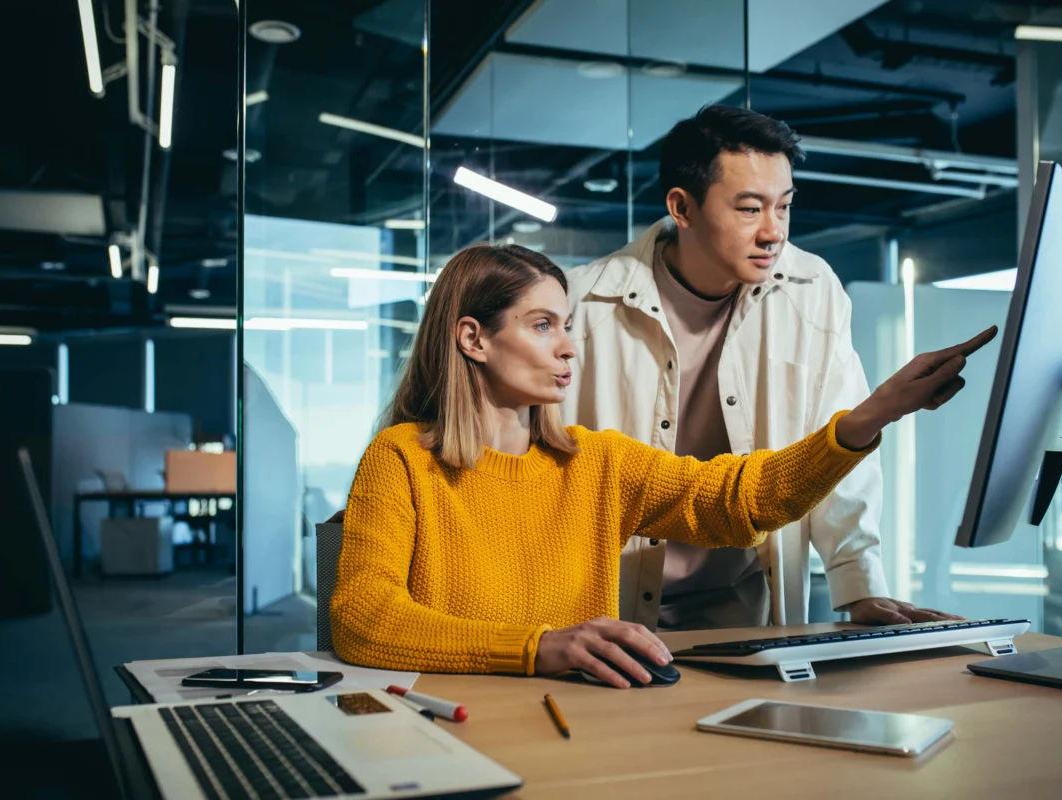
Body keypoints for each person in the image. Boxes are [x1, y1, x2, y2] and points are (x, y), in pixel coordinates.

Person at [330, 242, 995, 688]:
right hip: (448, 728)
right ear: (473, 338)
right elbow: (364, 617)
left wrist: (865, 419)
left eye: (567, 325)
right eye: (542, 326)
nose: (568, 348)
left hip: (575, 731)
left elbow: (740, 500)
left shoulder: (595, 462)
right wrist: (538, 648)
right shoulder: (400, 461)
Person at [562, 104, 947, 631]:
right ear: (682, 207)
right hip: (607, 610)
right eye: (749, 209)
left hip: (745, 609)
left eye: (783, 207)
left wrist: (858, 584)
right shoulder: (582, 303)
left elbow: (833, 448)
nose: (774, 232)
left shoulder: (813, 291)